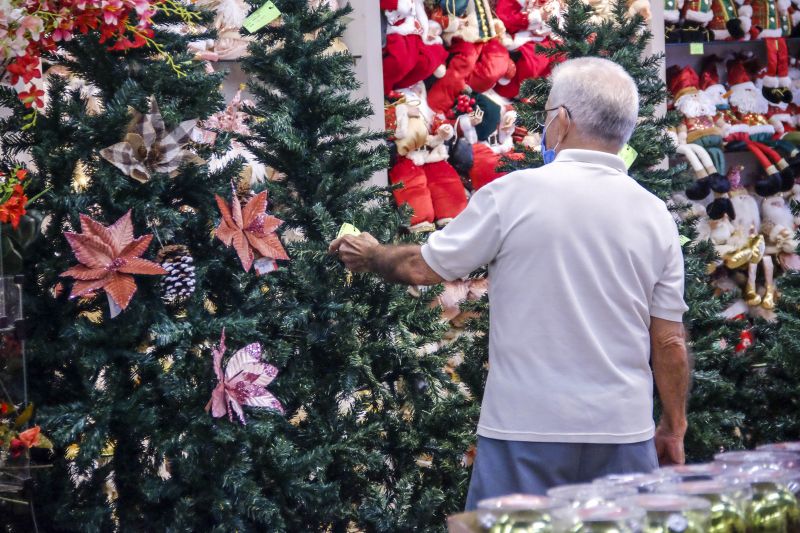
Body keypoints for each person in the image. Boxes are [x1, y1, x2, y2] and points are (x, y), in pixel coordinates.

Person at [328, 57, 690, 509]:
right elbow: (670, 340)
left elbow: (424, 267)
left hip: (524, 428)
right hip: (622, 433)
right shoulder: (655, 215)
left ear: (562, 120)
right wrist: (673, 427)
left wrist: (371, 253)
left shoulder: (513, 195)